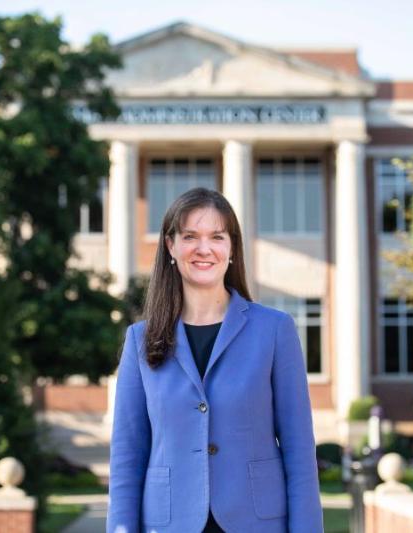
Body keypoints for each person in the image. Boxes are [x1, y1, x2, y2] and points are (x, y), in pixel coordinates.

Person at [107, 187, 323, 533]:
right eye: (190, 236)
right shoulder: (140, 339)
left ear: (232, 248)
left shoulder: (274, 330)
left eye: (216, 237)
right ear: (171, 247)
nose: (203, 248)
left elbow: (299, 451)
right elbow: (127, 455)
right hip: (168, 523)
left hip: (256, 523)